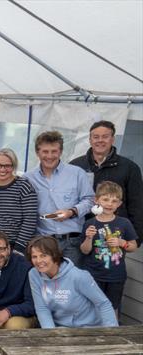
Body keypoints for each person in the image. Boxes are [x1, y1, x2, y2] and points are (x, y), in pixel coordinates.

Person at [25, 131, 94, 266]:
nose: (50, 156)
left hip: (72, 243)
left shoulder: (77, 173)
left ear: (61, 151)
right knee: (44, 282)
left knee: (69, 283)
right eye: (45, 151)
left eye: (54, 151)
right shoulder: (28, 178)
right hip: (43, 241)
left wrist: (72, 211)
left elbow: (90, 199)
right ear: (37, 153)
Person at [71, 120, 143, 242]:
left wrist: (136, 238)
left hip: (114, 234)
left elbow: (137, 205)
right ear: (90, 140)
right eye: (96, 137)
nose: (100, 140)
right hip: (81, 232)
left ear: (112, 139)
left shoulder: (130, 168)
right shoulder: (75, 166)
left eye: (105, 137)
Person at [27, 236, 118, 328]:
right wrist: (52, 334)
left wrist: (111, 333)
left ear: (54, 255)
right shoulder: (34, 274)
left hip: (89, 327)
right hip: (60, 329)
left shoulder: (78, 276)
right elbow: (42, 308)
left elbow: (103, 304)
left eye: (43, 255)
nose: (38, 261)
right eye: (34, 256)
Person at [79, 181, 139, 312]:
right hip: (93, 274)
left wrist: (122, 243)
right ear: (96, 200)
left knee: (113, 308)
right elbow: (84, 250)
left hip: (116, 275)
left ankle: (113, 331)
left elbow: (133, 246)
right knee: (92, 308)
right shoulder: (90, 223)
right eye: (105, 199)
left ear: (119, 204)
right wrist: (89, 237)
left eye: (114, 201)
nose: (109, 204)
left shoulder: (124, 223)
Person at [0, 148, 38, 253]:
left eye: (7, 166)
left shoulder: (24, 186)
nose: (2, 170)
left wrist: (18, 248)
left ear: (14, 166)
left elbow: (30, 219)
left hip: (15, 245)